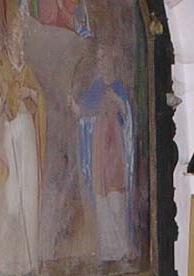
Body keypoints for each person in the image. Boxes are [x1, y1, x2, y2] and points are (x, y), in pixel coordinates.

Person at [0, 13, 47, 276]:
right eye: (14, 35)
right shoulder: (0, 65)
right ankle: (5, 258)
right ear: (6, 39)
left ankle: (27, 259)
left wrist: (32, 95)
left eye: (21, 36)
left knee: (27, 191)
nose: (18, 40)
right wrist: (2, 96)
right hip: (9, 131)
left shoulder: (26, 67)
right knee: (10, 195)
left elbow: (39, 98)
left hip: (26, 132)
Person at [72, 45, 135, 262]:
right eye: (99, 59)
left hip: (115, 148)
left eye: (103, 58)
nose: (101, 63)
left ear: (111, 61)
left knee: (116, 197)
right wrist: (75, 106)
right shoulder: (97, 87)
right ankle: (108, 250)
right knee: (101, 198)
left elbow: (127, 115)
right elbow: (84, 111)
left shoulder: (118, 86)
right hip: (99, 146)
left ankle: (122, 248)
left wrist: (118, 102)